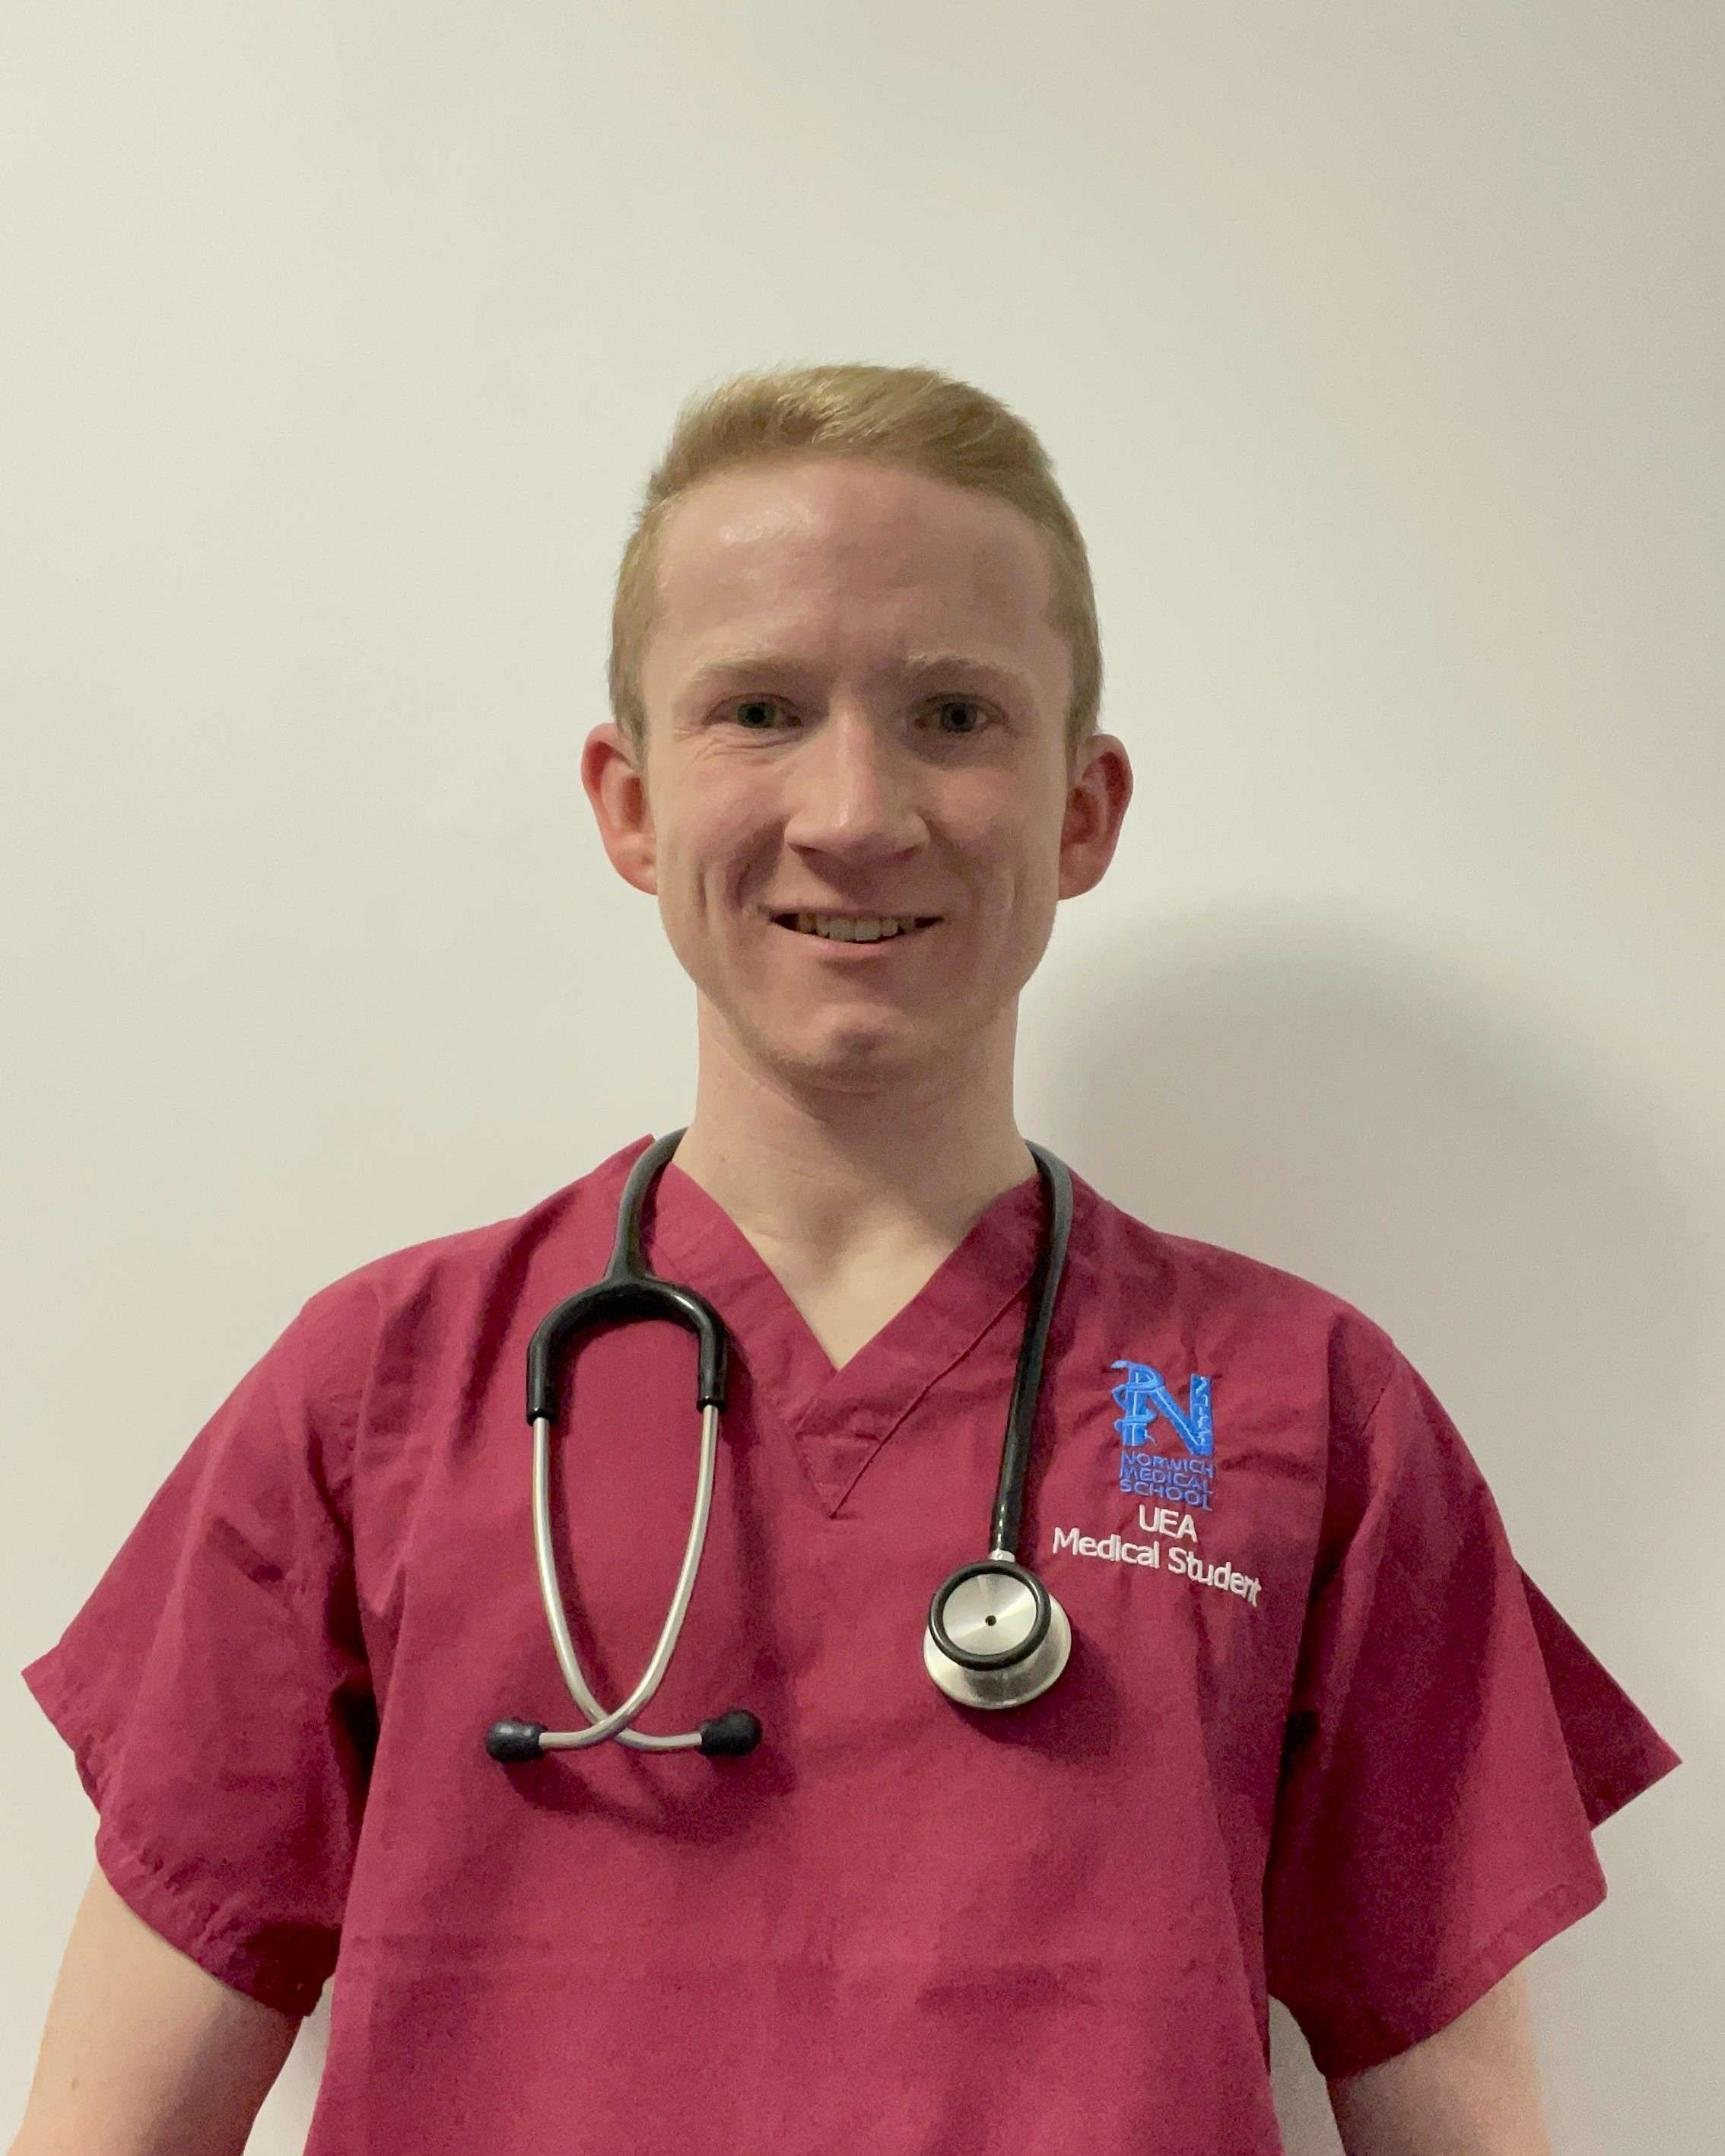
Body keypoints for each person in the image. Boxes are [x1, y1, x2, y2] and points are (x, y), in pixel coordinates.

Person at [12, 362, 1681, 2156]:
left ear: (1083, 808)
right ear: (630, 801)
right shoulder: (379, 1393)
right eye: (760, 709)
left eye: (955, 713)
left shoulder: (1306, 1410)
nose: (858, 808)